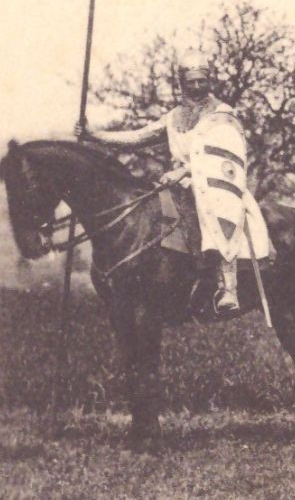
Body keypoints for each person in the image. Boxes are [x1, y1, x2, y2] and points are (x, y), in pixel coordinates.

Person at [77, 54, 271, 317]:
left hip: (215, 184)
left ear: (209, 81)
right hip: (178, 183)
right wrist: (94, 135)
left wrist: (183, 170)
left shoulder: (223, 115)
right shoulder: (174, 117)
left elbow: (227, 155)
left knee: (212, 211)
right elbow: (137, 137)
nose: (197, 87)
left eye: (202, 81)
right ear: (182, 83)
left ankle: (228, 287)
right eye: (191, 82)